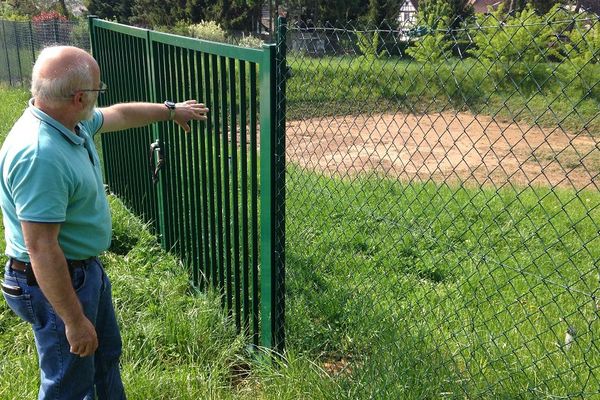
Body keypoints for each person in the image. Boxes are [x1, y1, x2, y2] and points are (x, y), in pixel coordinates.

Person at [0, 45, 209, 399]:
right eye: (98, 91)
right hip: (55, 282)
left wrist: (171, 111)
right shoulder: (41, 155)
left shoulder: (69, 122)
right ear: (80, 97)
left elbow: (120, 115)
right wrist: (74, 320)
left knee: (103, 360)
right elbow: (41, 247)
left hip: (82, 271)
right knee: (68, 383)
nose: (101, 99)